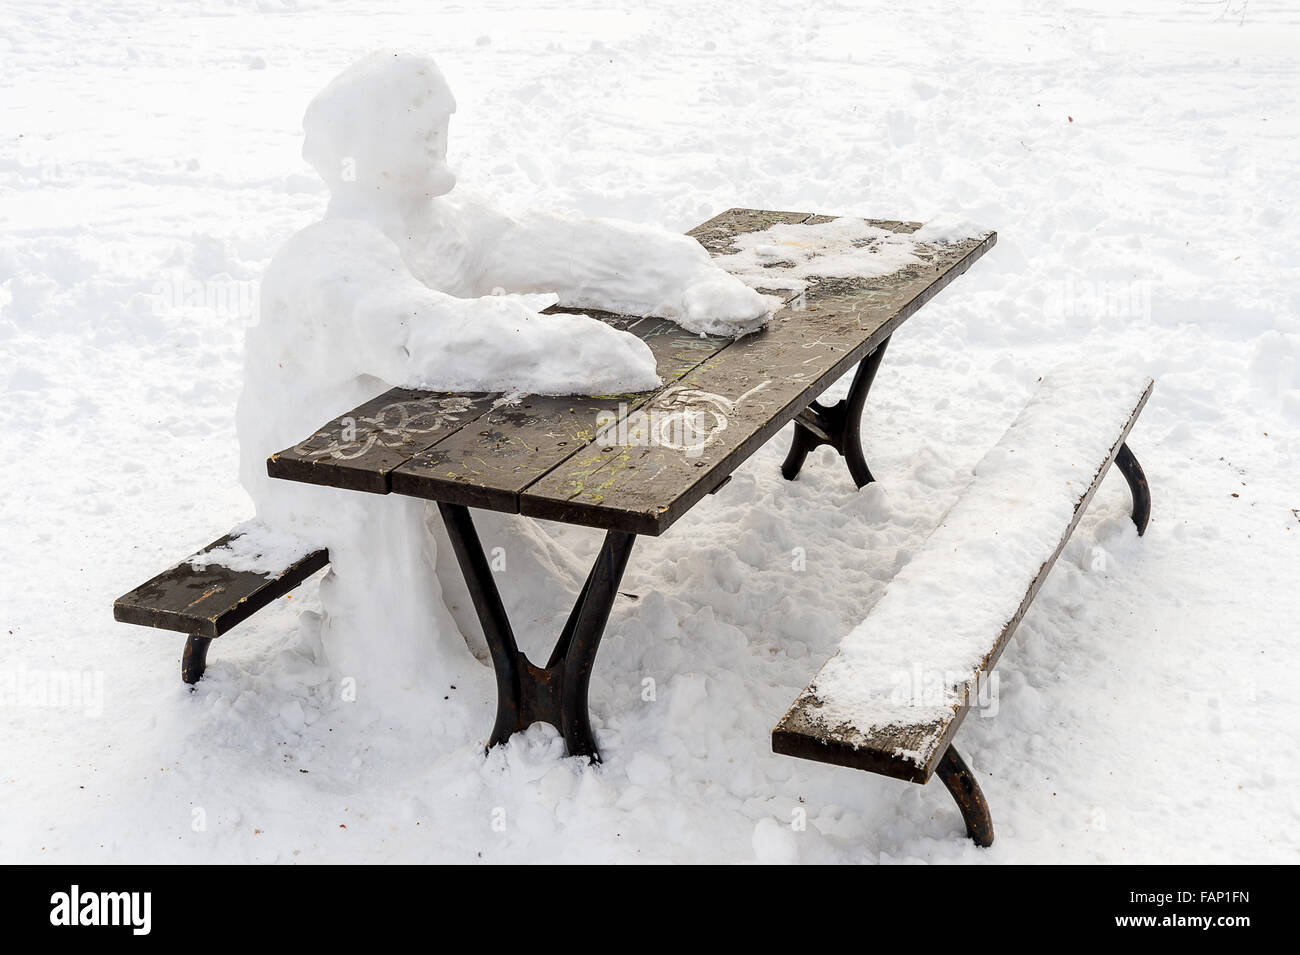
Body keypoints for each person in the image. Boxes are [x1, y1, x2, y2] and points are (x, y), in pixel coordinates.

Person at [236, 51, 773, 705]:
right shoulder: (329, 257)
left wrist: (687, 280)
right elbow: (422, 338)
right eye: (417, 115)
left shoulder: (448, 226)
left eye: (440, 112)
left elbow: (564, 246)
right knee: (387, 518)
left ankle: (518, 605)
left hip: (420, 446)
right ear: (359, 143)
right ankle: (408, 690)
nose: (446, 118)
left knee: (471, 490)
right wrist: (577, 351)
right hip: (325, 476)